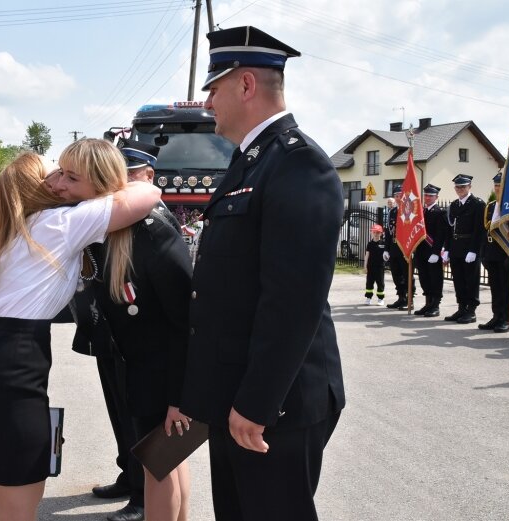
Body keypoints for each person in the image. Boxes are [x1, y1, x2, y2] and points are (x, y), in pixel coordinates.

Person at [178, 26, 345, 521]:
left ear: (245, 85)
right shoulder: (251, 162)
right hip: (240, 395)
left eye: (213, 89)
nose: (207, 103)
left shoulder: (298, 164)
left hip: (275, 403)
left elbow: (294, 302)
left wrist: (257, 404)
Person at [0, 142, 160, 521]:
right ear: (40, 186)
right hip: (13, 363)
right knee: (18, 497)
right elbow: (148, 193)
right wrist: (110, 182)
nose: (61, 179)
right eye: (56, 172)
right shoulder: (59, 225)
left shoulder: (16, 233)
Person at [67, 138, 192, 521]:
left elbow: (185, 318)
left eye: (72, 178)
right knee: (166, 469)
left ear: (100, 181)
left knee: (162, 472)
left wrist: (180, 397)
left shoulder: (150, 229)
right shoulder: (108, 229)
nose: (62, 186)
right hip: (140, 368)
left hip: (165, 374)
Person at [479, 172, 509, 333]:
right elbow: (486, 232)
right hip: (492, 253)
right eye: (496, 185)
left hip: (507, 253)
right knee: (495, 287)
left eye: (501, 186)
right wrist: (484, 253)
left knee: (506, 287)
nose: (498, 188)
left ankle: (506, 318)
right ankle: (496, 315)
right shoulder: (491, 206)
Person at [443, 174, 486, 324]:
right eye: (457, 187)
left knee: (471, 280)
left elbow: (480, 230)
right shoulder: (454, 205)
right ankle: (461, 308)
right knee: (459, 280)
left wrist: (474, 250)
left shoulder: (478, 204)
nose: (460, 189)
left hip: (469, 248)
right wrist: (447, 249)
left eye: (463, 186)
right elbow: (449, 229)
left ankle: (471, 311)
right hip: (456, 247)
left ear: (470, 187)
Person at [413, 184, 447, 317]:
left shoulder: (440, 212)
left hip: (432, 251)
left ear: (436, 197)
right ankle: (428, 303)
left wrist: (436, 252)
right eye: (426, 195)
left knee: (435, 278)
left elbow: (441, 235)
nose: (427, 197)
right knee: (424, 278)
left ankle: (435, 305)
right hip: (421, 251)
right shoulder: (422, 212)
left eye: (430, 195)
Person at [384, 184, 416, 309]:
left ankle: (410, 300)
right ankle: (401, 297)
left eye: (400, 195)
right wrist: (386, 249)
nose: (398, 198)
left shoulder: (409, 210)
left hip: (405, 247)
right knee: (396, 274)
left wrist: (413, 248)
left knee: (407, 274)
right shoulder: (392, 211)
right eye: (396, 196)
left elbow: (413, 230)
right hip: (393, 246)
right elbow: (388, 231)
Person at [363, 224, 386, 306]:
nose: (376, 234)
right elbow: (367, 255)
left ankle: (380, 298)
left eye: (378, 233)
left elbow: (386, 255)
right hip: (370, 266)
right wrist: (365, 266)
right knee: (369, 282)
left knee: (380, 283)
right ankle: (368, 298)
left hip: (380, 267)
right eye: (374, 232)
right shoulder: (370, 244)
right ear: (371, 233)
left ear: (381, 233)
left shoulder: (384, 243)